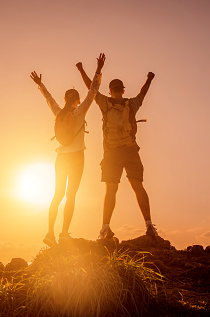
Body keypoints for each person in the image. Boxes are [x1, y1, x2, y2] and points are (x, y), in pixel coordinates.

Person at [75, 61, 157, 240]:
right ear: (123, 90)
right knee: (138, 187)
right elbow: (143, 93)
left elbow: (92, 87)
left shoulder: (105, 102)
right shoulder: (131, 104)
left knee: (110, 190)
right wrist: (148, 79)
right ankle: (149, 225)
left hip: (111, 153)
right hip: (130, 151)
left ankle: (105, 229)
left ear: (111, 90)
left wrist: (82, 70)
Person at [31, 53, 105, 247]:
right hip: (77, 158)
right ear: (78, 101)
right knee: (71, 195)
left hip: (61, 158)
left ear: (65, 99)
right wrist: (98, 70)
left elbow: (48, 98)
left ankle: (49, 233)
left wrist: (40, 84)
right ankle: (64, 234)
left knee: (57, 195)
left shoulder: (58, 112)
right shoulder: (81, 111)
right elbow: (93, 91)